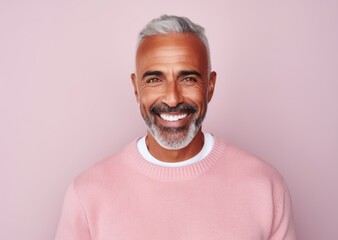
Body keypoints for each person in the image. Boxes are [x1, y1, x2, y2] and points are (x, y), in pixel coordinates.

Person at [55, 15, 296, 240]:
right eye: (154, 80)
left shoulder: (265, 187)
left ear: (210, 86)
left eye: (188, 78)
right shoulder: (87, 194)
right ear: (136, 88)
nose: (172, 99)